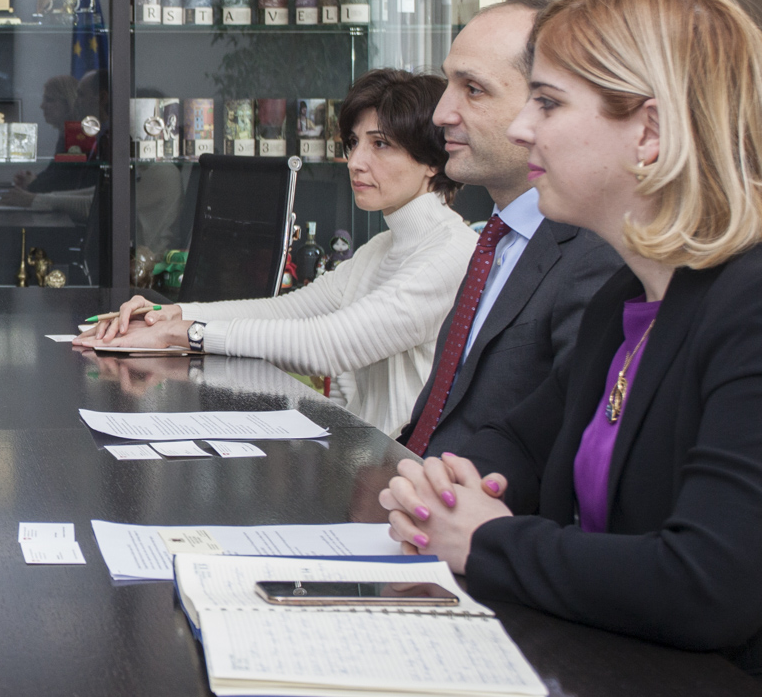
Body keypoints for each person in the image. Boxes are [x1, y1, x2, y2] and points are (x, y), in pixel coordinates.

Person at [379, 0, 762, 697]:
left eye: (548, 103)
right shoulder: (624, 300)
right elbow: (515, 445)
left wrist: (486, 539)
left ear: (650, 132)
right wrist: (445, 485)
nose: (523, 129)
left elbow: (705, 584)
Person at [81, 69, 477, 432]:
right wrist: (169, 314)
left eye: (381, 144)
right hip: (366, 456)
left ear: (432, 161)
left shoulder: (451, 255)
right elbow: (287, 310)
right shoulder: (383, 247)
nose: (355, 161)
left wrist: (183, 333)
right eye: (355, 143)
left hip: (401, 468)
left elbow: (328, 345)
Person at [399, 0, 622, 457]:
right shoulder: (495, 238)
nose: (441, 113)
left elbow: (561, 454)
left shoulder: (599, 255)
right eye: (448, 83)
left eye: (473, 89)